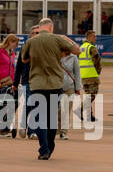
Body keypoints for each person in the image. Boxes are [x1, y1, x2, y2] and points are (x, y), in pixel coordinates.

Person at [21, 19, 76, 159]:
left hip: (37, 84)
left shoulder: (31, 41)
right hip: (55, 84)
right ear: (51, 27)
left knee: (39, 118)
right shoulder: (57, 39)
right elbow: (77, 50)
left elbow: (24, 59)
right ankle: (50, 146)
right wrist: (65, 39)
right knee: (51, 117)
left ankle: (44, 149)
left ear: (40, 28)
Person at [57, 42, 82, 139]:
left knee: (66, 110)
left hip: (70, 88)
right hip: (57, 87)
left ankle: (63, 132)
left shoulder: (73, 58)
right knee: (58, 110)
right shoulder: (56, 56)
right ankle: (55, 130)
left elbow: (77, 73)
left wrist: (78, 88)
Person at [78, 31, 101, 125]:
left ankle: (89, 115)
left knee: (88, 94)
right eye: (94, 37)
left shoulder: (81, 47)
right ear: (89, 37)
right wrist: (98, 71)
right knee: (92, 95)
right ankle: (80, 109)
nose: (95, 38)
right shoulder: (91, 48)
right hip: (91, 75)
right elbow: (97, 60)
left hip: (83, 75)